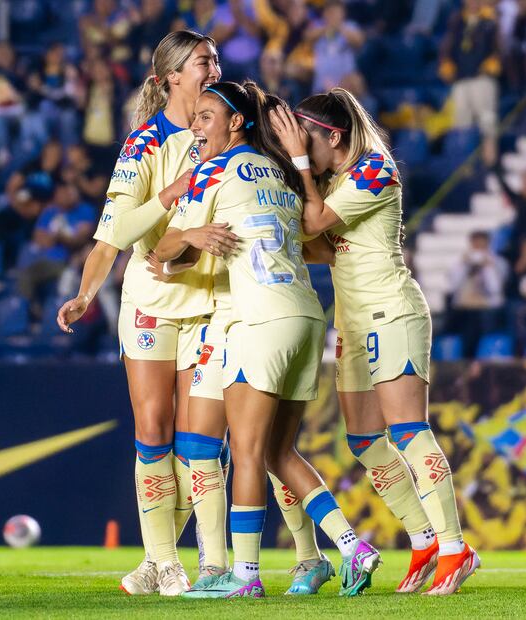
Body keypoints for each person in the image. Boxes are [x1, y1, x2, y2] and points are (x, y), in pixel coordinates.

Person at [156, 81, 379, 598]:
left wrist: (187, 239)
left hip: (259, 321)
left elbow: (165, 245)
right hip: (306, 316)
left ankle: (245, 576)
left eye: (206, 116)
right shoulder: (279, 176)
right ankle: (351, 546)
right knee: (279, 452)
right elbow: (313, 241)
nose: (196, 125)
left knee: (248, 453)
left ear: (237, 122)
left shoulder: (215, 169)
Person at [269, 88, 481, 595]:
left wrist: (298, 168)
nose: (305, 154)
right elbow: (321, 244)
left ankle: (455, 548)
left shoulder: (374, 169)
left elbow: (316, 221)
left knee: (408, 431)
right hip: (354, 323)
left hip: (392, 312)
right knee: (365, 441)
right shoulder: (338, 179)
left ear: (333, 136)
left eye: (309, 143)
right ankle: (424, 540)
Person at [57, 30, 223, 597]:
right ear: (172, 77)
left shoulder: (230, 130)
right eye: (204, 61)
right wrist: (85, 294)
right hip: (153, 303)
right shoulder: (145, 144)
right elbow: (114, 233)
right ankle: (165, 560)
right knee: (153, 431)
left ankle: (165, 559)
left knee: (197, 440)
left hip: (211, 305)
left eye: (215, 59)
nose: (214, 67)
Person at [438, 0, 501, 167]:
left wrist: (493, 62)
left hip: (481, 77)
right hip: (460, 78)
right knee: (461, 121)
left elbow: (498, 46)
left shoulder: (490, 21)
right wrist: (446, 63)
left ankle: (490, 161)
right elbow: (447, 46)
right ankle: (463, 163)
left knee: (487, 119)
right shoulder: (457, 20)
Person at [17, 183, 97, 313]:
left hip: (68, 260)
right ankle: (28, 312)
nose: (66, 196)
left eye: (69, 192)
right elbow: (39, 238)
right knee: (25, 274)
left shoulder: (85, 209)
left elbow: (79, 239)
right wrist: (61, 237)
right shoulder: (50, 211)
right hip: (45, 259)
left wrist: (59, 237)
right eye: (62, 193)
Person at [445, 231, 508, 358]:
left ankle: (469, 357)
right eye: (475, 244)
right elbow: (453, 287)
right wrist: (464, 265)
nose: (478, 247)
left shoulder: (499, 263)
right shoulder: (461, 263)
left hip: (488, 308)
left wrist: (487, 267)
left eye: (481, 244)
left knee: (474, 321)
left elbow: (496, 289)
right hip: (464, 309)